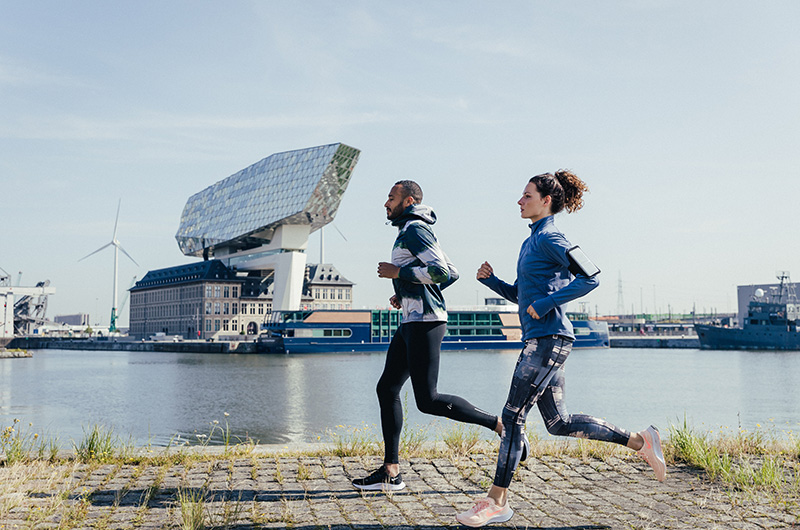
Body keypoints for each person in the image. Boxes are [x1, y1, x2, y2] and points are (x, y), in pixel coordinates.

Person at [456, 171, 666, 527]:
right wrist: (491, 282)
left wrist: (550, 301)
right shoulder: (530, 243)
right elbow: (524, 297)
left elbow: (592, 276)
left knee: (511, 417)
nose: (520, 201)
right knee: (558, 423)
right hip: (542, 338)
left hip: (548, 340)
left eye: (526, 195)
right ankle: (642, 441)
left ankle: (496, 502)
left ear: (545, 200)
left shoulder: (553, 237)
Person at [352, 180, 503, 492]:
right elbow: (452, 271)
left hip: (426, 323)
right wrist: (405, 293)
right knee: (387, 388)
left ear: (408, 200)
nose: (385, 203)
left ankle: (500, 426)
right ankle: (391, 471)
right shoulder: (410, 229)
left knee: (428, 400)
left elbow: (441, 273)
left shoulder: (415, 230)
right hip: (412, 320)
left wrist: (399, 275)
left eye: (390, 198)